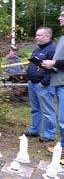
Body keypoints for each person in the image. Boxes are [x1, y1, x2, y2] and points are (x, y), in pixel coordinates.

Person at [24, 27, 56, 143]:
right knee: (35, 109)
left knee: (47, 110)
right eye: (36, 35)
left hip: (43, 85)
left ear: (47, 36)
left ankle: (49, 134)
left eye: (39, 35)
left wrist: (44, 82)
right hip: (32, 84)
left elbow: (55, 69)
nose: (36, 37)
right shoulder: (37, 49)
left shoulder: (53, 49)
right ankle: (35, 130)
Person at [42, 9, 64, 156]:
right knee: (62, 118)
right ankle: (62, 147)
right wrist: (50, 65)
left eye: (63, 15)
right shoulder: (62, 37)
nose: (59, 17)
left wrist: (54, 62)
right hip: (58, 82)